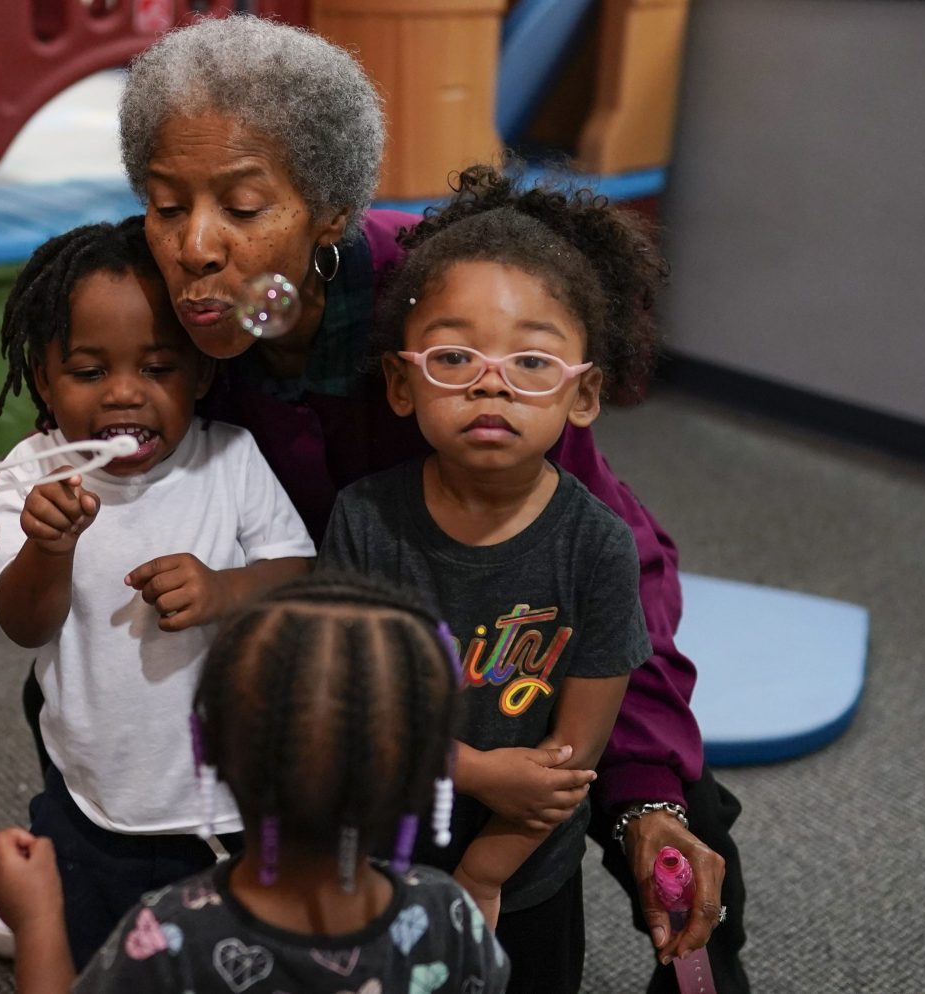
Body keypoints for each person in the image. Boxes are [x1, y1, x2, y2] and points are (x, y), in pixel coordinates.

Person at [0, 16, 747, 992]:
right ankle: (102, 872)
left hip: (500, 648)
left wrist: (648, 800)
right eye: (166, 205)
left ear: (332, 213)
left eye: (245, 205)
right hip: (326, 665)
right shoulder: (166, 308)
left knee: (670, 813)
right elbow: (79, 444)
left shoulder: (448, 318)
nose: (195, 248)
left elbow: (601, 558)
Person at [317, 170, 656, 994]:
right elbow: (342, 709)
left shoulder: (599, 549)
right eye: (454, 355)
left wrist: (486, 869)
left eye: (532, 359)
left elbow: (570, 761)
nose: (491, 381)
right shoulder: (364, 521)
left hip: (525, 871)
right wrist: (468, 768)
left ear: (583, 397)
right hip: (375, 857)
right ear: (401, 385)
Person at [0, 217, 315, 968]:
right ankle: (38, 912)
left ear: (199, 373)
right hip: (95, 794)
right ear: (42, 378)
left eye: (157, 368)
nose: (125, 395)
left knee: (233, 959)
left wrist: (227, 587)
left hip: (229, 801)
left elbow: (298, 573)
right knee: (95, 960)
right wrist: (48, 547)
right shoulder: (34, 471)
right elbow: (24, 624)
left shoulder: (229, 459)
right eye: (91, 372)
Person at [0, 573, 511, 994]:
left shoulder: (171, 937)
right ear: (425, 774)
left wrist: (37, 919)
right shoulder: (450, 918)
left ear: (208, 748)